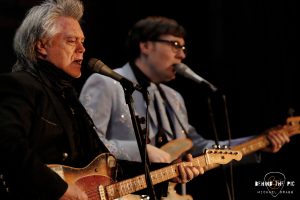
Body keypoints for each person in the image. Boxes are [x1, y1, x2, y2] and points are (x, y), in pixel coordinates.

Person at [0, 3, 202, 200]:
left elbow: (109, 169)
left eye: (83, 41)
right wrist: (59, 189)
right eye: (71, 41)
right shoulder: (19, 84)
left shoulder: (68, 96)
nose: (82, 49)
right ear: (41, 46)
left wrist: (166, 173)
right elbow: (8, 144)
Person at [80, 16, 290, 164]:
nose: (182, 55)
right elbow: (87, 145)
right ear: (145, 46)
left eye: (183, 48)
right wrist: (141, 152)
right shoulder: (105, 82)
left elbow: (197, 147)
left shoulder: (173, 98)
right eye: (174, 45)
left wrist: (257, 143)